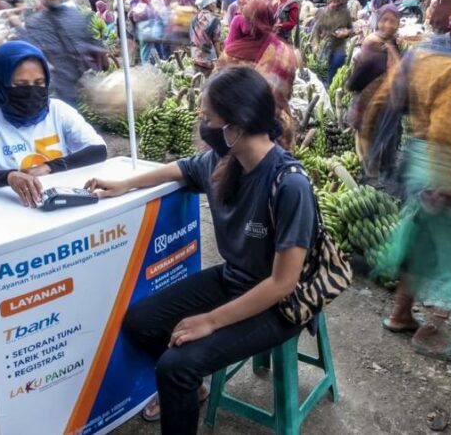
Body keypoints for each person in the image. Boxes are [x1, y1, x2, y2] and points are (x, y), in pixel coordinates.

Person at [84, 66, 315, 433]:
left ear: (235, 127)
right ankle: (189, 388)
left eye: (208, 118)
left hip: (277, 305)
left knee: (176, 366)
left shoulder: (289, 185)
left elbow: (282, 283)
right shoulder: (225, 162)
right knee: (139, 322)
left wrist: (210, 321)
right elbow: (178, 168)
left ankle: (182, 380)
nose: (203, 126)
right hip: (233, 279)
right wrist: (124, 183)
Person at [368, 0, 451, 363]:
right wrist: (447, 184)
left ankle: (400, 314)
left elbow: (384, 97)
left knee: (419, 242)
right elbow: (447, 132)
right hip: (443, 162)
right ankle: (431, 331)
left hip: (417, 158)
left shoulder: (421, 53)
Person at [0, 41, 106, 205]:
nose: (31, 92)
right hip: (6, 211)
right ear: (0, 84)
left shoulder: (58, 111)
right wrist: (9, 177)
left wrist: (49, 167)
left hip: (58, 205)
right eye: (20, 85)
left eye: (38, 83)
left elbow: (98, 150)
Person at [219, 0, 300, 148]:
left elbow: (214, 94)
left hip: (235, 134)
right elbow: (286, 94)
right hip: (276, 132)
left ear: (246, 20)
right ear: (272, 19)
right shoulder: (285, 53)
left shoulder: (230, 53)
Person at [19, 0, 104, 104]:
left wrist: (97, 50)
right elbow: (29, 54)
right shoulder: (35, 23)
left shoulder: (75, 16)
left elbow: (87, 42)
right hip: (54, 94)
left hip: (81, 88)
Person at [346, 4, 401, 171]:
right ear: (378, 21)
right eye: (384, 20)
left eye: (393, 21)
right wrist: (352, 86)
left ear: (398, 23)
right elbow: (361, 71)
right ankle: (371, 176)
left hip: (387, 102)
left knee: (385, 139)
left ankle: (381, 175)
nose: (388, 25)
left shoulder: (392, 42)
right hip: (369, 100)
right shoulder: (373, 42)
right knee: (369, 139)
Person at [313, 0, 353, 86]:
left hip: (339, 44)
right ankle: (324, 86)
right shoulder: (323, 13)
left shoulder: (345, 14)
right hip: (325, 45)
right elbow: (316, 30)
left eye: (337, 1)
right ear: (329, 1)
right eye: (332, 1)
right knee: (323, 68)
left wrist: (346, 32)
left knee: (338, 61)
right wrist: (316, 44)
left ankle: (331, 86)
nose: (334, 4)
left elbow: (351, 29)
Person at [190, 0, 221, 75]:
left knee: (198, 81)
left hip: (195, 56)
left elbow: (192, 37)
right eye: (214, 3)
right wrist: (219, 58)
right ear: (209, 5)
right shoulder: (215, 20)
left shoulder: (194, 18)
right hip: (209, 58)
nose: (215, 5)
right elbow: (216, 41)